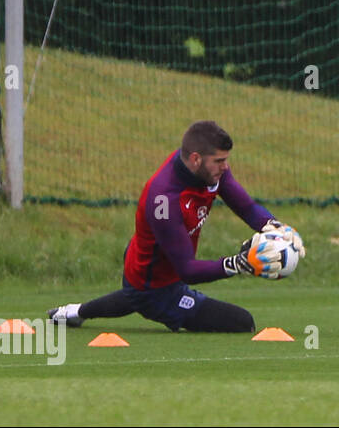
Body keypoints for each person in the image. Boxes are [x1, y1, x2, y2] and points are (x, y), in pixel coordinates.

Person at [47, 120, 302, 332]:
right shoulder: (164, 199)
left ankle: (74, 312)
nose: (225, 167)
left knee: (132, 296)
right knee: (242, 323)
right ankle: (79, 311)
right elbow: (188, 269)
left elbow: (246, 208)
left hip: (148, 268)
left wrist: (276, 226)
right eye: (219, 161)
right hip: (156, 285)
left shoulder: (208, 171)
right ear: (195, 159)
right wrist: (239, 264)